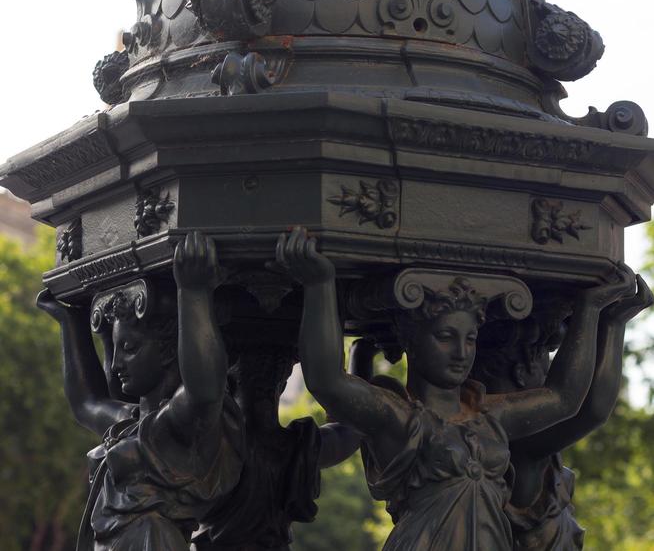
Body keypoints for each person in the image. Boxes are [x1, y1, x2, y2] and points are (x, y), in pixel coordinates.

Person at [276, 226, 636, 551]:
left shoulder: (489, 416)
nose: (462, 352)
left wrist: (593, 310)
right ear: (412, 341)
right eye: (446, 337)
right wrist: (319, 286)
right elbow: (327, 381)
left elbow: (566, 397)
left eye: (470, 338)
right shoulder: (401, 420)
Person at [37, 232, 243, 551]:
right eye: (116, 348)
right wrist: (70, 321)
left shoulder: (177, 424)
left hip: (151, 541)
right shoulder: (131, 421)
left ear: (168, 352)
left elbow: (204, 389)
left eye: (130, 348)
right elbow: (85, 402)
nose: (117, 362)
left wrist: (193, 293)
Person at [472, 276, 653, 549]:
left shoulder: (502, 436)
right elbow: (591, 410)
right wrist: (606, 321)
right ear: (521, 374)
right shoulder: (515, 445)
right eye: (546, 362)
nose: (549, 374)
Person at [192, 339, 366, 550]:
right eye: (262, 378)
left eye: (271, 378)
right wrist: (360, 353)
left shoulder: (210, 446)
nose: (266, 385)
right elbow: (355, 428)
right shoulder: (296, 446)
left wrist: (360, 353)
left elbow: (353, 430)